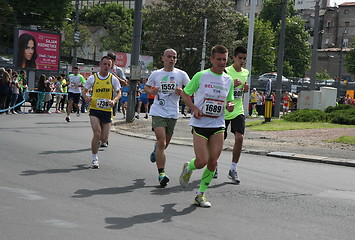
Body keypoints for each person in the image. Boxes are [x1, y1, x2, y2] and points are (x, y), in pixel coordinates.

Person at [179, 45, 234, 207]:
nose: (222, 63)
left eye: (224, 59)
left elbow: (229, 99)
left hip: (218, 123)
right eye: (219, 59)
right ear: (211, 59)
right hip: (200, 123)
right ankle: (189, 167)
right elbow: (185, 93)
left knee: (213, 162)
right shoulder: (201, 76)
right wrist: (194, 108)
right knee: (202, 161)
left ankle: (200, 194)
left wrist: (230, 105)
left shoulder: (228, 80)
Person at [144, 48, 190, 188]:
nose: (172, 59)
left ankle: (156, 149)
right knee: (162, 142)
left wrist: (181, 92)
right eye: (169, 56)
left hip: (172, 112)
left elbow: (191, 90)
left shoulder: (181, 75)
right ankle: (161, 174)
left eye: (174, 57)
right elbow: (146, 87)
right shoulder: (156, 74)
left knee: (164, 145)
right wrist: (151, 91)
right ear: (163, 58)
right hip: (158, 110)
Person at [81, 56, 121, 169]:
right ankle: (94, 158)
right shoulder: (93, 78)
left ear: (111, 66)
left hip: (107, 110)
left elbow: (119, 93)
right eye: (105, 64)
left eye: (109, 65)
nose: (106, 66)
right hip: (95, 109)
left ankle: (99, 144)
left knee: (103, 139)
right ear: (100, 65)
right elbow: (84, 91)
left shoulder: (113, 79)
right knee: (97, 133)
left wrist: (114, 101)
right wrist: (86, 98)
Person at [218, 46, 249, 184]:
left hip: (237, 109)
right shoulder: (226, 71)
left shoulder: (245, 72)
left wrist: (244, 89)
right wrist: (232, 84)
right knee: (219, 140)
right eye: (240, 58)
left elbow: (241, 91)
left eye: (244, 59)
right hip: (224, 110)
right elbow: (219, 89)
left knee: (240, 138)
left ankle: (233, 168)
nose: (242, 61)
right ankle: (214, 165)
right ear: (234, 58)